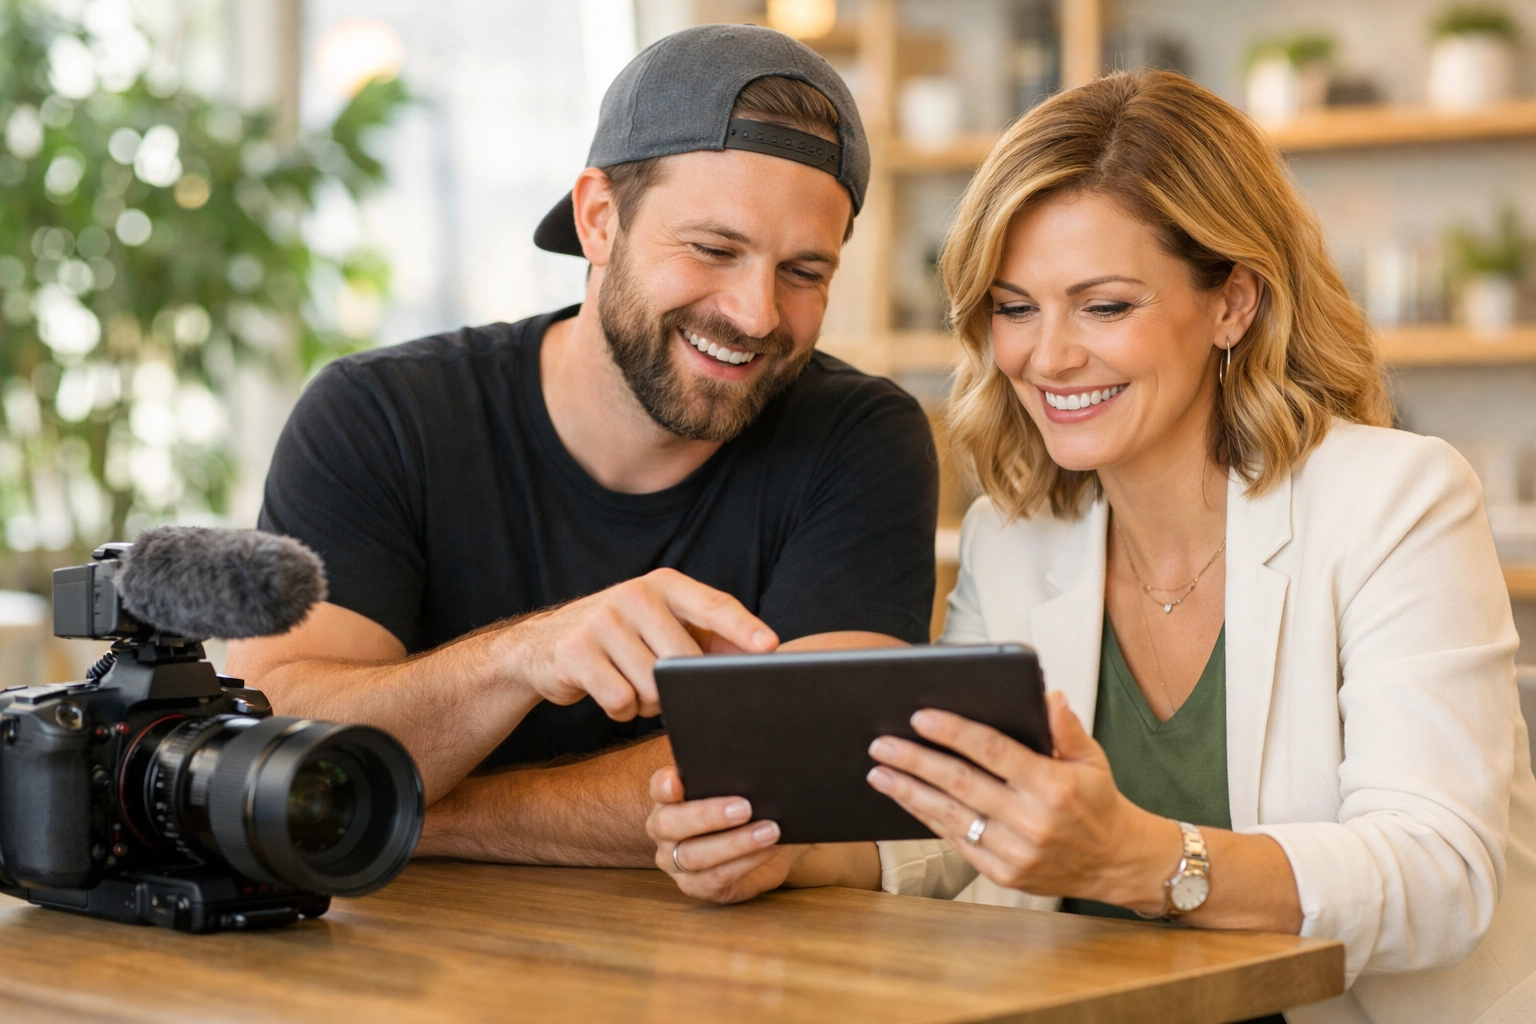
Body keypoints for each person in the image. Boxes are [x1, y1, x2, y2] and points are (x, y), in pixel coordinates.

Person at [647, 69, 1536, 1024]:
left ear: (1233, 302)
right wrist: (794, 851)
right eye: (1015, 307)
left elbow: (1441, 872)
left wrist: (1141, 859)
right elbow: (969, 822)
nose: (1046, 356)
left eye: (1104, 306)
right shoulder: (1015, 535)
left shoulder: (1395, 501)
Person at [225, 25, 938, 868]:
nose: (756, 314)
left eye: (804, 272)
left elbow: (808, 774)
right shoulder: (377, 416)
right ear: (600, 219)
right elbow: (271, 751)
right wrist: (522, 656)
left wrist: (407, 816)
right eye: (714, 249)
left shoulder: (860, 439)